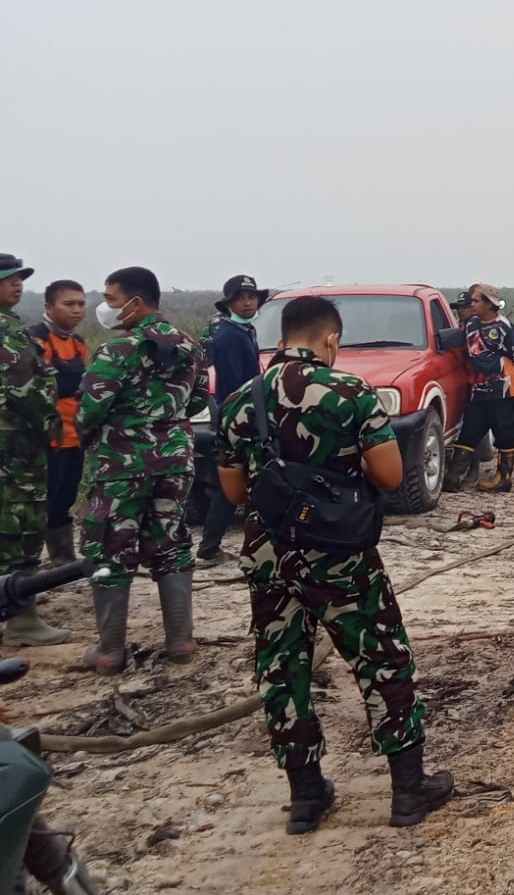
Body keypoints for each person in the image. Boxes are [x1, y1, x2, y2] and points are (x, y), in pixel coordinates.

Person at [216, 295, 454, 834]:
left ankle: (305, 798)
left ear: (283, 336)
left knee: (283, 668)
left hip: (270, 555)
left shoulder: (237, 401)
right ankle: (408, 793)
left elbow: (233, 490)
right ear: (330, 340)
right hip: (340, 555)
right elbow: (391, 477)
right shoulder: (350, 394)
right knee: (382, 660)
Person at [77, 266, 208, 672]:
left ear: (136, 302)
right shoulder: (190, 345)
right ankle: (181, 642)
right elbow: (199, 397)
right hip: (176, 460)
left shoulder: (118, 350)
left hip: (122, 463)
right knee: (170, 540)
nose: (107, 308)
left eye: (111, 299)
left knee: (111, 546)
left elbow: (90, 409)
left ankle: (110, 650)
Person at [0, 253, 72, 646]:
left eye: (20, 278)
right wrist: (51, 424)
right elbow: (23, 388)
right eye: (9, 279)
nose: (17, 284)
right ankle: (22, 619)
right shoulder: (7, 332)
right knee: (21, 525)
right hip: (16, 448)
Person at [196, 274, 269, 567]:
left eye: (252, 296)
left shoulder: (245, 332)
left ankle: (213, 547)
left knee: (240, 484)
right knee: (235, 485)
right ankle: (209, 548)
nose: (248, 302)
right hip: (238, 419)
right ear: (229, 304)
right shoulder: (227, 337)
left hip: (245, 416)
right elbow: (233, 388)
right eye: (241, 297)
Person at [444, 283, 514, 494]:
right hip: (479, 388)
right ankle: (452, 477)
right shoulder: (471, 325)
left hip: (502, 389)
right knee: (469, 431)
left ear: (489, 304)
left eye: (475, 300)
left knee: (504, 433)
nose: (471, 305)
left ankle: (503, 478)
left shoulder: (504, 327)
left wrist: (506, 375)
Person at [30, 280, 90, 567]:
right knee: (46, 500)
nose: (77, 310)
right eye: (69, 304)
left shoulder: (78, 344)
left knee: (66, 497)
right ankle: (28, 561)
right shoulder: (36, 341)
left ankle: (63, 559)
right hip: (47, 439)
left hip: (74, 436)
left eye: (80, 303)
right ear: (49, 307)